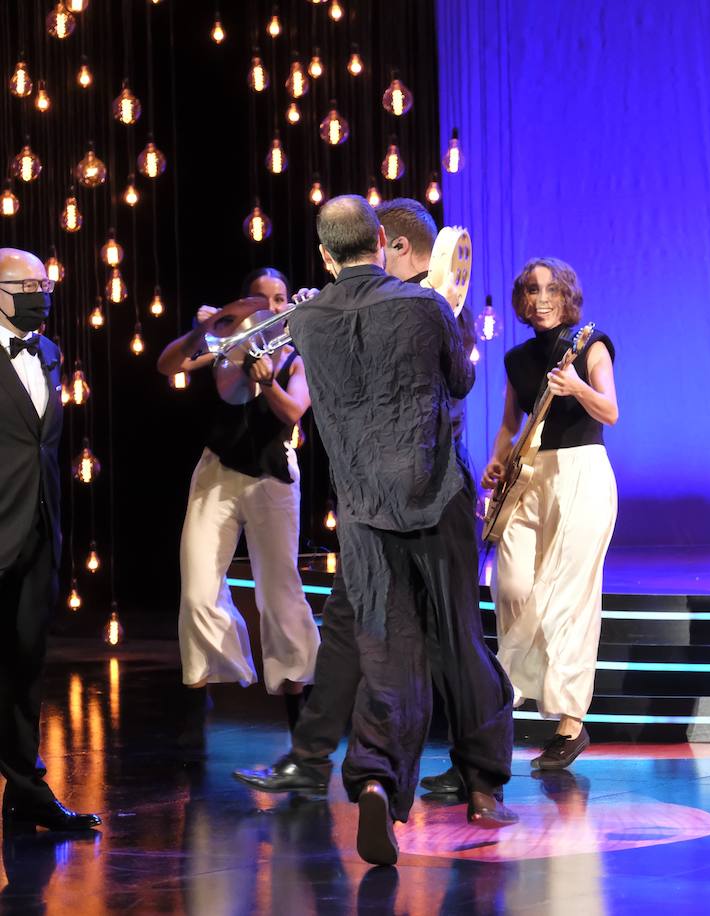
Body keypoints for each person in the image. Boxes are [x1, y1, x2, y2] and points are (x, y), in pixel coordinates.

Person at [235, 196, 514, 866]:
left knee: (386, 649)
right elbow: (462, 379)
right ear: (383, 239)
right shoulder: (425, 308)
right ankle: (483, 787)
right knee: (459, 639)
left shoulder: (305, 316)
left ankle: (375, 781)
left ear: (326, 255)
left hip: (360, 507)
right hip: (438, 496)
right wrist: (453, 316)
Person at [156, 268, 318, 734]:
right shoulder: (222, 348)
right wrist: (202, 330)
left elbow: (294, 412)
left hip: (272, 478)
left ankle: (297, 709)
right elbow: (168, 366)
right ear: (242, 306)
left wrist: (267, 383)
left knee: (279, 591)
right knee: (197, 586)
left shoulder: (293, 357)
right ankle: (209, 690)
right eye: (259, 299)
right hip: (218, 473)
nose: (270, 306)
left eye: (279, 298)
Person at [482, 257, 618, 770]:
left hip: (582, 473)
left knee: (569, 598)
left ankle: (569, 724)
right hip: (528, 476)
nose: (540, 299)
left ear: (566, 296)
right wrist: (497, 460)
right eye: (531, 290)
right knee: (512, 586)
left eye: (550, 290)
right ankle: (514, 683)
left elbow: (611, 410)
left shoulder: (591, 344)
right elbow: (507, 424)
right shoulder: (516, 359)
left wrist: (577, 387)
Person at [0, 248, 100, 832]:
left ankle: (24, 789)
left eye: (45, 282)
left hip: (37, 531)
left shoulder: (51, 353)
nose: (40, 292)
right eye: (26, 284)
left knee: (26, 662)